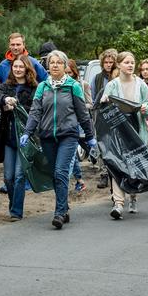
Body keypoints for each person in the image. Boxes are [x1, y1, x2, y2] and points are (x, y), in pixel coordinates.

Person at [21, 50, 96, 229]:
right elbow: (35, 112)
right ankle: (64, 206)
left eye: (58, 63)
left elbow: (82, 114)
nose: (54, 65)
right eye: (51, 62)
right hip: (47, 136)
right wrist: (27, 132)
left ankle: (59, 212)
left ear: (64, 66)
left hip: (68, 135)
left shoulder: (72, 86)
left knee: (61, 171)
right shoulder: (42, 87)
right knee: (54, 174)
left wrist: (90, 137)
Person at [101, 51, 148, 218]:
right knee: (118, 165)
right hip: (118, 131)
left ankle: (133, 196)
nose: (130, 65)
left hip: (137, 129)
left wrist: (146, 109)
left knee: (134, 166)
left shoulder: (141, 85)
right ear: (119, 65)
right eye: (126, 62)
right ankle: (118, 203)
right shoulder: (112, 85)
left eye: (132, 62)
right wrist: (104, 101)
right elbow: (104, 106)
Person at [0, 56, 37, 221]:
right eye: (15, 67)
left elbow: (35, 109)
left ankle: (16, 211)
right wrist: (5, 100)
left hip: (25, 137)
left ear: (27, 69)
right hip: (8, 137)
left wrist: (16, 105)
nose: (18, 69)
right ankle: (13, 203)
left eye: (21, 67)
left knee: (19, 175)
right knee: (8, 177)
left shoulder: (34, 88)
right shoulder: (6, 86)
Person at [91, 48, 118, 189]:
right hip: (101, 115)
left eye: (111, 62)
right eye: (106, 62)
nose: (108, 64)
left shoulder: (119, 76)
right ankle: (104, 174)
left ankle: (117, 173)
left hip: (117, 115)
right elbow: (94, 99)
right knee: (102, 145)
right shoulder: (97, 78)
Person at [66, 59, 92, 193]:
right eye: (66, 72)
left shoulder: (83, 84)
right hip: (67, 124)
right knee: (72, 154)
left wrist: (78, 106)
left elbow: (90, 104)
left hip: (80, 123)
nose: (68, 75)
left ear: (74, 72)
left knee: (82, 150)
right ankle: (79, 180)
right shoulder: (61, 84)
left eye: (70, 72)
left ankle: (68, 179)